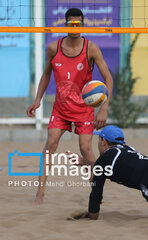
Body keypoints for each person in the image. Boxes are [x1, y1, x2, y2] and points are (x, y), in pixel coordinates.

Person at [26, 8, 113, 204]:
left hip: (83, 109)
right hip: (61, 108)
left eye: (78, 23)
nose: (75, 27)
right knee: (50, 144)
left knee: (85, 149)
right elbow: (46, 75)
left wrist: (104, 108)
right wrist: (37, 99)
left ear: (82, 25)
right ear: (66, 24)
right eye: (71, 23)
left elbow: (108, 78)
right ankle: (40, 192)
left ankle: (95, 191)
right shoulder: (53, 48)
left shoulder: (91, 48)